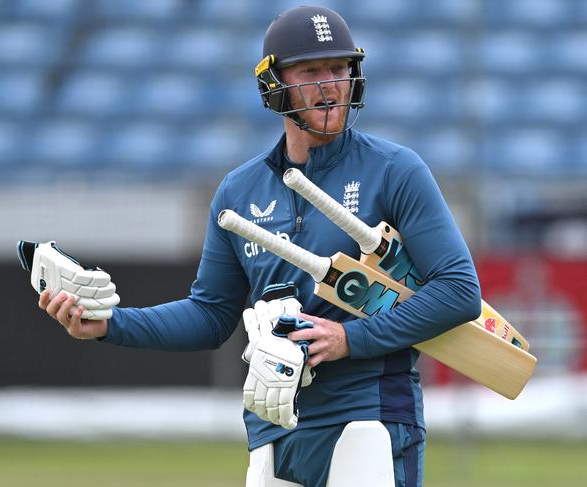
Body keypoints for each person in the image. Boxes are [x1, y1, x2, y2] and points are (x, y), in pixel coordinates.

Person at [36, 6, 481, 487]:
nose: (330, 83)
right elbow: (210, 316)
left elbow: (459, 292)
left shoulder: (395, 170)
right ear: (275, 84)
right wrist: (109, 324)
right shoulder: (238, 192)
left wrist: (349, 339)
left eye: (339, 68)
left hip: (368, 419)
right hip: (272, 430)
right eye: (311, 71)